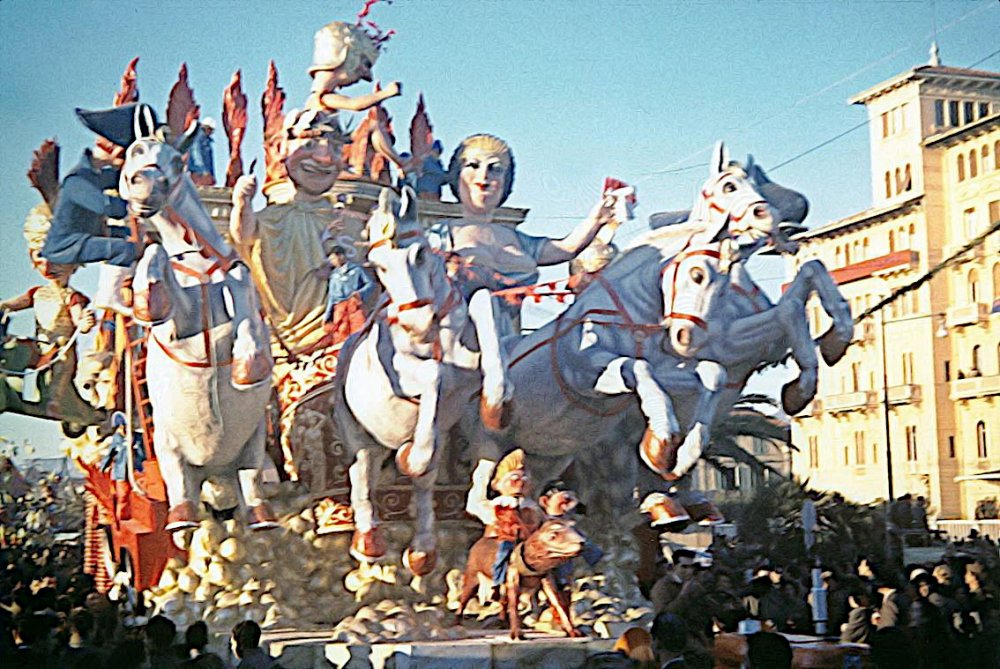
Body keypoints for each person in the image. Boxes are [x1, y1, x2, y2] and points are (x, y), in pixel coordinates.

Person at [428, 134, 618, 326]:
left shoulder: (517, 239)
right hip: (454, 341)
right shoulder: (441, 235)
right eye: (473, 165)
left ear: (506, 180)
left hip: (509, 340)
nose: (484, 176)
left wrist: (598, 218)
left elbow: (566, 248)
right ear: (457, 174)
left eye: (495, 169)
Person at [40, 105, 140, 269]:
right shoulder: (76, 181)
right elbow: (111, 209)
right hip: (67, 245)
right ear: (113, 149)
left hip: (89, 234)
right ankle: (120, 291)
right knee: (124, 249)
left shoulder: (96, 175)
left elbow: (121, 179)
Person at [321, 244, 375, 345]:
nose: (332, 261)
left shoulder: (356, 270)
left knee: (359, 330)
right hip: (339, 309)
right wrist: (327, 315)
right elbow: (331, 297)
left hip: (354, 305)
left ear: (341, 256)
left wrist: (360, 293)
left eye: (333, 258)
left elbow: (370, 284)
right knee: (340, 333)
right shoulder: (334, 275)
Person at [100, 412, 145, 520]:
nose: (123, 429)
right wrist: (103, 467)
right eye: (120, 427)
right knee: (123, 496)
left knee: (140, 494)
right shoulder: (116, 439)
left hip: (137, 471)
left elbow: (143, 454)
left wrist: (135, 447)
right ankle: (122, 518)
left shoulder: (138, 437)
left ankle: (140, 516)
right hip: (121, 472)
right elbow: (110, 454)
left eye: (125, 426)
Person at [188, 118, 216, 187]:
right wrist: (203, 171)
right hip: (198, 172)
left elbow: (209, 161)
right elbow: (196, 153)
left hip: (202, 171)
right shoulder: (199, 137)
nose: (211, 133)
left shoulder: (206, 140)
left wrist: (211, 174)